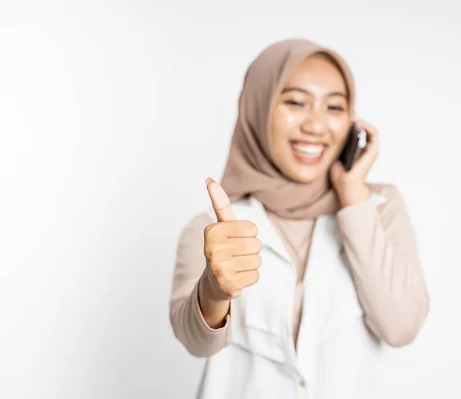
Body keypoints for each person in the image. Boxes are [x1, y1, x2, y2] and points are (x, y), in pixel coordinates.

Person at [169, 38, 430, 399]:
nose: (316, 125)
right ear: (258, 108)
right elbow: (196, 343)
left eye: (334, 107)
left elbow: (400, 327)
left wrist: (352, 195)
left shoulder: (380, 207)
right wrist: (214, 290)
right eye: (295, 102)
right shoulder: (213, 229)